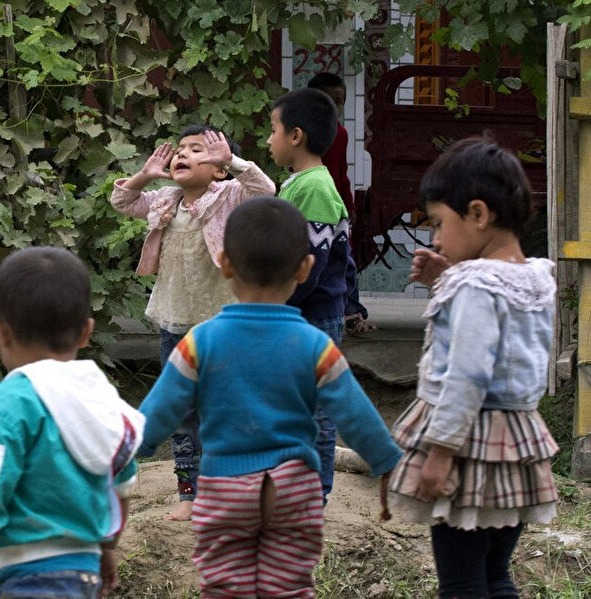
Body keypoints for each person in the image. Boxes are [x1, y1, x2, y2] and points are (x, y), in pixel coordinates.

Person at [137, 197, 401, 597]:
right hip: (293, 489)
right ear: (305, 268)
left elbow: (159, 413)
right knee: (290, 588)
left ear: (223, 263)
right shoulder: (316, 346)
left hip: (224, 486)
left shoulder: (199, 342)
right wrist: (387, 462)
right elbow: (355, 415)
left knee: (225, 588)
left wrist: (121, 452)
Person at [387, 137, 559, 598]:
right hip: (516, 443)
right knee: (496, 574)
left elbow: (468, 372)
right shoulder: (534, 278)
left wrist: (441, 451)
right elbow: (501, 343)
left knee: (461, 583)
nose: (436, 239)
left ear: (479, 214)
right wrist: (446, 278)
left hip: (469, 449)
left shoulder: (474, 287)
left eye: (440, 224)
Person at [0, 247, 146, 598]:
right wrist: (107, 549)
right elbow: (121, 487)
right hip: (84, 573)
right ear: (86, 333)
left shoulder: (5, 405)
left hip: (26, 579)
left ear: (1, 332)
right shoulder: (101, 400)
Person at [111, 125, 275, 520]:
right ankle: (190, 495)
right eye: (179, 149)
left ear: (218, 169)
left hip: (222, 326)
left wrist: (232, 162)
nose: (182, 154)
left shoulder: (229, 196)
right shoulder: (165, 200)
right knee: (183, 412)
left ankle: (235, 489)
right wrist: (146, 174)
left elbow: (265, 190)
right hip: (175, 323)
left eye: (197, 150)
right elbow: (121, 200)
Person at [268, 87, 357, 503]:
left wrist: (276, 307)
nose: (269, 140)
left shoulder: (315, 188)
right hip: (304, 315)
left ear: (296, 135)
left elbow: (311, 265)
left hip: (312, 317)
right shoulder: (300, 183)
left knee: (317, 414)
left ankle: (314, 498)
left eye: (273, 130)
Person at [307, 72, 376, 335]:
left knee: (344, 260)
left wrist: (349, 207)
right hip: (315, 207)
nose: (335, 107)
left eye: (340, 101)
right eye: (328, 100)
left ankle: (353, 312)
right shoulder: (301, 135)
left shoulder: (341, 133)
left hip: (335, 210)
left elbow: (341, 174)